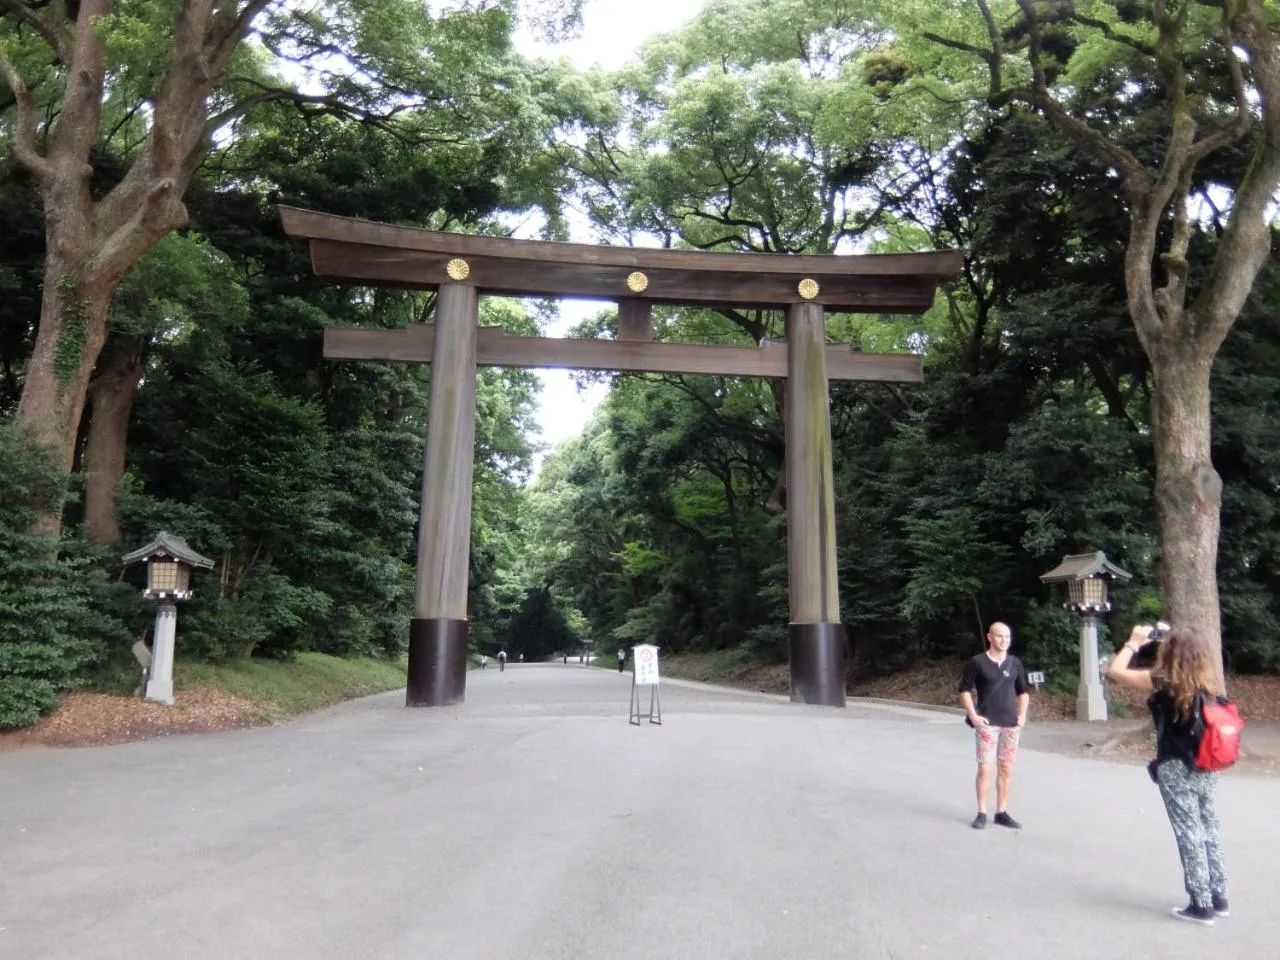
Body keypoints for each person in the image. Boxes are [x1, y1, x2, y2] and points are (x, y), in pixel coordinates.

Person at [1107, 623, 1229, 926]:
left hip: (1176, 766)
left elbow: (1115, 671)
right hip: (1208, 763)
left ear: (1170, 651)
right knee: (1208, 827)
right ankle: (1218, 896)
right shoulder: (1209, 685)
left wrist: (1134, 642)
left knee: (1189, 831)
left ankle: (1200, 904)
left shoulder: (1164, 682)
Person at [957, 621, 1029, 830]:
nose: (1004, 640)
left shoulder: (1015, 663)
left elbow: (1023, 692)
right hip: (987, 724)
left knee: (1006, 768)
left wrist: (1022, 715)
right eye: (999, 636)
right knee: (985, 768)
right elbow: (964, 690)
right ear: (989, 637)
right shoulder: (977, 662)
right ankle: (982, 812)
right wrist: (974, 716)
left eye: (1007, 636)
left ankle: (1001, 811)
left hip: (1011, 724)